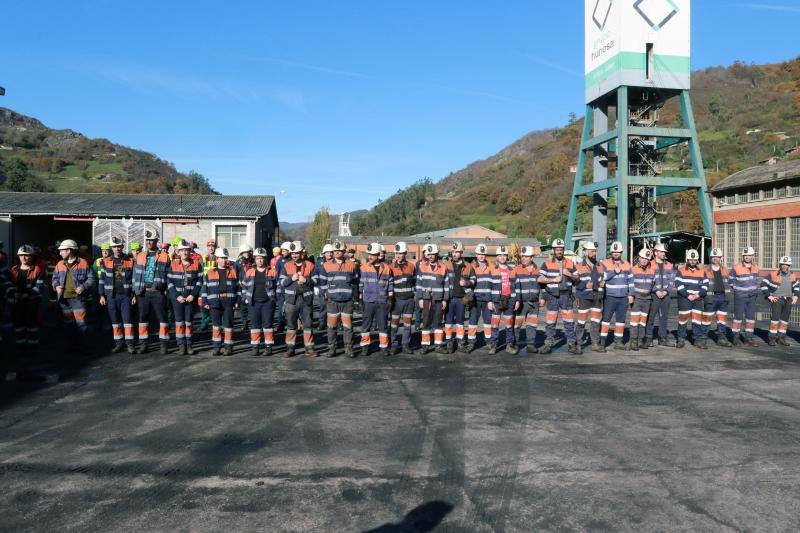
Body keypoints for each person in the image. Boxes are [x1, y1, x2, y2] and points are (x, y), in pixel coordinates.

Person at [52, 239, 96, 354]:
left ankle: (84, 348)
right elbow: (54, 278)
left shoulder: (83, 262)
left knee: (82, 324)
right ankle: (71, 347)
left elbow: (91, 278)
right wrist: (56, 286)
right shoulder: (59, 264)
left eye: (62, 250)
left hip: (78, 300)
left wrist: (83, 287)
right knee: (69, 325)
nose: (60, 253)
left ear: (69, 250)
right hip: (64, 301)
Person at [132, 229, 171, 354]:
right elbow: (135, 275)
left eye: (151, 240)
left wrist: (166, 290)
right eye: (147, 240)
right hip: (143, 292)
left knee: (162, 318)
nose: (149, 242)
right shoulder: (140, 256)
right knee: (142, 319)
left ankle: (163, 344)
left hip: (158, 292)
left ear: (156, 241)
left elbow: (169, 275)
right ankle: (143, 345)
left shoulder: (164, 256)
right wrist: (135, 292)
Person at [538, 239, 580, 354]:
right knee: (550, 322)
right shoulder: (547, 263)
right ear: (553, 250)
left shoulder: (570, 263)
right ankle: (548, 344)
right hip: (552, 297)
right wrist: (553, 280)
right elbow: (540, 278)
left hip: (566, 296)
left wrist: (569, 274)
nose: (559, 251)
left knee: (569, 322)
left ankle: (572, 345)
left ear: (563, 250)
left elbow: (578, 279)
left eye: (561, 249)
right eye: (557, 249)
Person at [318, 240, 358, 357]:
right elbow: (322, 283)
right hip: (332, 302)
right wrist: (325, 295)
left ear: (344, 251)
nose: (337, 252)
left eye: (339, 250)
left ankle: (349, 349)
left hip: (347, 302)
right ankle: (332, 349)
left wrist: (354, 296)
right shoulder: (326, 265)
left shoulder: (352, 265)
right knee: (331, 327)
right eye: (335, 250)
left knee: (348, 327)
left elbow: (356, 281)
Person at [279, 241, 318, 358]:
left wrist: (306, 280)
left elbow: (316, 280)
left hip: (306, 300)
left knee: (308, 325)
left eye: (296, 253)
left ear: (302, 253)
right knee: (291, 326)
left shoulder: (310, 265)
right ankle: (290, 349)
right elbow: (281, 282)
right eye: (292, 253)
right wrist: (291, 278)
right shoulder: (286, 265)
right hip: (291, 301)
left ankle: (309, 349)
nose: (294, 255)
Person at [98, 237, 136, 354]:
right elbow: (102, 279)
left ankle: (130, 344)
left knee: (127, 320)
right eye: (114, 247)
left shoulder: (130, 260)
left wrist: (134, 295)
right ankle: (119, 343)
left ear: (122, 247)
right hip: (111, 296)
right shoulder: (106, 261)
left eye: (119, 246)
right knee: (115, 321)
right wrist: (101, 295)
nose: (117, 249)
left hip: (126, 296)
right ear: (112, 248)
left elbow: (134, 279)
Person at [202, 247, 240, 356]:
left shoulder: (233, 271)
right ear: (217, 259)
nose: (223, 260)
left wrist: (238, 301)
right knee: (216, 326)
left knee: (228, 325)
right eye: (221, 258)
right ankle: (217, 347)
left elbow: (238, 289)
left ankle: (228, 347)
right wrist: (205, 302)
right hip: (214, 302)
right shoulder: (210, 272)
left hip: (229, 302)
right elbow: (205, 288)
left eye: (225, 258)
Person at [8, 245, 46, 354]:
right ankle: (20, 346)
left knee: (32, 324)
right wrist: (14, 293)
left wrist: (27, 295)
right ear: (18, 257)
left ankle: (32, 346)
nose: (24, 258)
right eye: (21, 255)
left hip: (32, 302)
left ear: (32, 257)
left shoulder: (37, 269)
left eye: (27, 256)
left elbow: (39, 286)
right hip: (17, 302)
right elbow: (9, 285)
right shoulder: (13, 270)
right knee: (18, 324)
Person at [167, 240, 202, 355]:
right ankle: (181, 345)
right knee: (179, 322)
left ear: (190, 251)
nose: (184, 253)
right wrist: (176, 296)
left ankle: (189, 344)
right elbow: (169, 282)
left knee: (189, 322)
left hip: (190, 298)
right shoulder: (173, 264)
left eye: (186, 250)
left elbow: (200, 281)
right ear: (178, 252)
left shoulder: (196, 264)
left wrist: (193, 295)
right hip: (178, 299)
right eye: (182, 250)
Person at [358, 243, 393, 356]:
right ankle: (365, 347)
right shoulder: (363, 268)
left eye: (372, 255)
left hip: (382, 301)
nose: (370, 257)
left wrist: (390, 298)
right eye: (369, 254)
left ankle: (384, 347)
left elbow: (390, 284)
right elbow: (361, 285)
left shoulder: (386, 268)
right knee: (366, 325)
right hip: (368, 301)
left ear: (378, 255)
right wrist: (360, 299)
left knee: (383, 325)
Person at [242, 248, 278, 356]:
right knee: (255, 325)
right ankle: (255, 347)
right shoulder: (250, 272)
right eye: (258, 258)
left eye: (262, 258)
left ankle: (268, 347)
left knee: (268, 325)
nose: (260, 260)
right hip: (254, 303)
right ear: (255, 259)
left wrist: (275, 299)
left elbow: (278, 286)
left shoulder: (272, 271)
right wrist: (245, 298)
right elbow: (244, 286)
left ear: (265, 259)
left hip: (268, 302)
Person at [415, 244, 450, 354]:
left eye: (433, 254)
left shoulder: (443, 267)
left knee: (438, 322)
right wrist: (420, 298)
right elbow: (418, 284)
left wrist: (445, 299)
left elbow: (447, 285)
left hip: (438, 300)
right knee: (425, 322)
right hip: (426, 299)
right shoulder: (422, 267)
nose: (430, 256)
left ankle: (438, 345)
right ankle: (425, 345)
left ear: (437, 254)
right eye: (429, 254)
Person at [600, 241, 634, 350]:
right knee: (606, 319)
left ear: (621, 252)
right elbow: (602, 277)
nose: (616, 253)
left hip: (623, 297)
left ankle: (618, 341)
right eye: (614, 252)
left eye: (618, 252)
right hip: (610, 297)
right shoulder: (605, 263)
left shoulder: (627, 264)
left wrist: (631, 294)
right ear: (611, 252)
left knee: (621, 320)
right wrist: (614, 271)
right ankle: (602, 341)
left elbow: (631, 281)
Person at [444, 242, 475, 353]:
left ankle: (460, 343)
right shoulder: (447, 265)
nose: (454, 254)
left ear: (461, 252)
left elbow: (474, 280)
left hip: (462, 299)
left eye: (457, 252)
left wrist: (466, 283)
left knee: (460, 322)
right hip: (450, 298)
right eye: (453, 252)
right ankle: (449, 342)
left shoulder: (468, 266)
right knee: (448, 322)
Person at [574, 241, 605, 352]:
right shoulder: (578, 266)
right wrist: (584, 285)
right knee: (581, 322)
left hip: (597, 298)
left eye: (595, 251)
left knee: (595, 321)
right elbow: (574, 282)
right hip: (584, 297)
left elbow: (603, 278)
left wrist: (603, 283)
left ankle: (595, 343)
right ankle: (577, 343)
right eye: (592, 251)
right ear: (586, 252)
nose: (594, 253)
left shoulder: (600, 266)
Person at [761, 256, 799, 347]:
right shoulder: (773, 274)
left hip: (788, 300)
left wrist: (796, 295)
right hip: (777, 299)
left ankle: (781, 338)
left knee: (784, 321)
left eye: (787, 265)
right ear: (780, 265)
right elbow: (763, 284)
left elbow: (797, 287)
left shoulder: (792, 275)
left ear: (789, 266)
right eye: (783, 264)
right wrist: (769, 295)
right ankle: (772, 339)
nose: (784, 266)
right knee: (775, 320)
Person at [676, 249, 709, 349]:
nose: (693, 261)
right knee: (683, 320)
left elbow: (706, 285)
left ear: (697, 260)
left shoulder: (702, 271)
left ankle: (697, 340)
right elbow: (678, 284)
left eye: (694, 260)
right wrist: (687, 295)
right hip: (685, 299)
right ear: (687, 259)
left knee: (697, 321)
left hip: (697, 299)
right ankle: (680, 340)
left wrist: (699, 294)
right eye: (691, 259)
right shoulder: (681, 270)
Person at [512, 245, 541, 354]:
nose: (523, 258)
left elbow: (542, 286)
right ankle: (514, 344)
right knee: (517, 324)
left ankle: (530, 345)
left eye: (526, 256)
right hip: (521, 303)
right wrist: (516, 300)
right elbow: (512, 286)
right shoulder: (516, 269)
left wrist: (542, 298)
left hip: (534, 303)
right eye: (522, 256)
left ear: (532, 257)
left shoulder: (538, 270)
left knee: (532, 324)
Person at [645, 242, 675, 347]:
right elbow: (648, 279)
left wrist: (666, 291)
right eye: (661, 252)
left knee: (664, 317)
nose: (663, 253)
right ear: (655, 252)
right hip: (654, 295)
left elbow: (672, 280)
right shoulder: (650, 264)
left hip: (666, 296)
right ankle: (648, 338)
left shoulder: (669, 265)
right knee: (651, 317)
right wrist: (656, 290)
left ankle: (662, 338)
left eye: (664, 252)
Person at [729, 247, 761, 347]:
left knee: (750, 318)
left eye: (749, 255)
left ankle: (749, 338)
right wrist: (737, 289)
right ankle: (736, 337)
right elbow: (730, 281)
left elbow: (757, 280)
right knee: (738, 318)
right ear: (743, 256)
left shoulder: (756, 267)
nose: (747, 257)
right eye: (745, 255)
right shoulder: (736, 267)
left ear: (752, 256)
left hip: (752, 297)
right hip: (740, 297)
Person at [489, 245, 517, 354]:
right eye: (500, 255)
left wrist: (516, 300)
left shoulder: (512, 270)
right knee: (495, 324)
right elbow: (489, 286)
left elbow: (516, 286)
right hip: (496, 300)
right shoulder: (492, 269)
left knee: (509, 323)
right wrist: (490, 301)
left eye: (504, 255)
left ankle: (509, 345)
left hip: (509, 300)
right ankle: (493, 345)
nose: (502, 257)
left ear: (507, 256)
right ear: (497, 257)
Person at [389, 242, 416, 355]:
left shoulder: (411, 266)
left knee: (407, 324)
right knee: (394, 324)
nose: (398, 255)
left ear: (405, 253)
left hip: (409, 300)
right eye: (396, 253)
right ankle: (394, 345)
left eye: (400, 253)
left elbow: (415, 282)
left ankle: (405, 345)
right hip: (396, 300)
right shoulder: (390, 267)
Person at [703, 248, 732, 347]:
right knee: (706, 319)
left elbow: (730, 282)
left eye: (718, 257)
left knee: (722, 320)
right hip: (711, 297)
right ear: (711, 258)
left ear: (721, 258)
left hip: (723, 297)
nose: (715, 258)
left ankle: (722, 339)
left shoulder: (725, 270)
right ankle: (702, 339)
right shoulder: (705, 270)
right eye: (713, 257)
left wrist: (728, 295)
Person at [469, 243, 495, 349]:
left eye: (483, 254)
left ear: (485, 255)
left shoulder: (492, 266)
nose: (481, 256)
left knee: (488, 321)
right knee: (473, 321)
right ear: (476, 255)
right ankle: (471, 342)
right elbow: (467, 283)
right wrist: (469, 297)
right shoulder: (471, 267)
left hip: (487, 300)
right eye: (479, 254)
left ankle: (488, 341)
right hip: (475, 299)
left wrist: (491, 300)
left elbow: (494, 284)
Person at [629, 249, 655, 351]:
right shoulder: (633, 269)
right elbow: (630, 284)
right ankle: (633, 342)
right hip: (637, 299)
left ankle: (640, 341)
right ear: (639, 258)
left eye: (646, 259)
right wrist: (631, 295)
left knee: (643, 321)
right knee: (634, 321)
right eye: (643, 258)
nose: (644, 260)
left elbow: (654, 284)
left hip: (647, 299)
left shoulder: (652, 270)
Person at [198, 239, 217, 332]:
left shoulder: (218, 258)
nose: (211, 248)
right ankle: (204, 324)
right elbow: (200, 272)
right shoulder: (203, 258)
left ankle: (217, 325)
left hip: (215, 286)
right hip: (204, 285)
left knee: (216, 306)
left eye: (213, 246)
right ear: (207, 247)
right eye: (209, 246)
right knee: (203, 307)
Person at [235, 244, 255, 333]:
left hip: (252, 286)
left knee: (252, 304)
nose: (246, 254)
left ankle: (253, 322)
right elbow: (234, 274)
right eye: (244, 252)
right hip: (241, 286)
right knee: (243, 305)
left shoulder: (254, 262)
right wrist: (238, 282)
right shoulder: (238, 263)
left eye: (248, 252)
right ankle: (244, 322)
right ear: (241, 253)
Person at [274, 241, 291, 332]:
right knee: (280, 306)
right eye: (282, 251)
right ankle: (280, 323)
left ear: (289, 251)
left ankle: (291, 323)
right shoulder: (280, 261)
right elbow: (277, 274)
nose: (282, 252)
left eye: (284, 251)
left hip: (291, 287)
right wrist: (278, 285)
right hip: (282, 287)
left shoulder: (293, 260)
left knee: (291, 307)